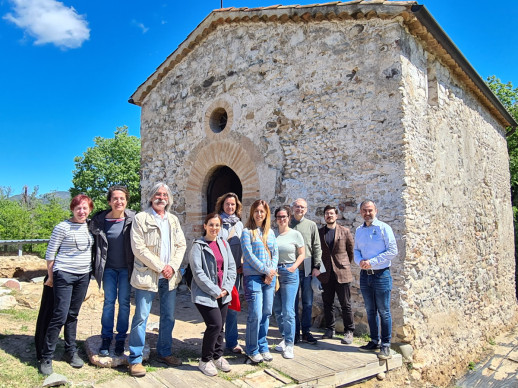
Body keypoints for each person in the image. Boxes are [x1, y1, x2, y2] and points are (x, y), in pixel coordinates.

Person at [128, 183, 187, 377]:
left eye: (164, 195)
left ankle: (164, 352)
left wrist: (172, 267)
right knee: (141, 317)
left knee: (168, 316)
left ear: (168, 199)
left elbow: (181, 244)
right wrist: (162, 267)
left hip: (169, 278)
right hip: (148, 275)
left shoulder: (173, 220)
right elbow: (139, 248)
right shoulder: (141, 218)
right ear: (151, 197)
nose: (161, 197)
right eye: (157, 194)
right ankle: (135, 359)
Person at [39, 194, 95, 376]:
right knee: (60, 315)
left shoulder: (90, 226)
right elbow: (50, 253)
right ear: (72, 209)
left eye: (85, 208)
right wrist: (51, 277)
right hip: (64, 274)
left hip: (84, 275)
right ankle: (46, 357)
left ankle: (70, 352)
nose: (82, 211)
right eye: (78, 208)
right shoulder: (62, 227)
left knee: (73, 315)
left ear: (90, 209)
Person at [90, 185, 135, 357]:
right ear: (109, 201)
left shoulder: (133, 219)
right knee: (109, 303)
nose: (119, 201)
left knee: (124, 304)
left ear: (126, 201)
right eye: (115, 198)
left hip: (126, 269)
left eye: (122, 198)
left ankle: (121, 339)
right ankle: (106, 338)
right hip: (108, 269)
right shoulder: (99, 221)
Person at [190, 213, 237, 376]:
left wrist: (226, 288)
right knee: (214, 325)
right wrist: (215, 291)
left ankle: (217, 357)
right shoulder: (198, 246)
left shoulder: (224, 243)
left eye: (217, 225)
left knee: (220, 326)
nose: (214, 228)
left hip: (223, 292)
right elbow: (198, 272)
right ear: (205, 226)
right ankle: (205, 360)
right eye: (211, 224)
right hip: (204, 294)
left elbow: (231, 267)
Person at [354, 200, 398, 360]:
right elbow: (356, 250)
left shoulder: (384, 228)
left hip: (381, 274)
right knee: (370, 310)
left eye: (370, 210)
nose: (367, 213)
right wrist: (359, 261)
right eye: (364, 211)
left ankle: (385, 345)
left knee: (384, 311)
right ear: (360, 213)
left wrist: (371, 262)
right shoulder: (359, 230)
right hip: (365, 275)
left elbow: (393, 251)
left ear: (376, 211)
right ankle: (374, 341)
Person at [241, 199, 278, 363]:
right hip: (254, 277)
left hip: (269, 277)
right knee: (255, 313)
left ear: (266, 214)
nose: (259, 214)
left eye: (262, 211)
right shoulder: (246, 232)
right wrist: (266, 270)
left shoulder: (271, 233)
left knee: (266, 312)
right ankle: (252, 348)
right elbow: (248, 256)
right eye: (256, 211)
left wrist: (272, 271)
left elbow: (275, 254)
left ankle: (263, 346)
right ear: (252, 213)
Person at [317, 205, 355, 344]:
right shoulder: (320, 232)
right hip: (326, 274)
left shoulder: (345, 231)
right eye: (327, 213)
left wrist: (343, 264)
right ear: (324, 216)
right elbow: (317, 253)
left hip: (342, 272)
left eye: (331, 213)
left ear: (336, 216)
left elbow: (350, 252)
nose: (329, 216)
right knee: (328, 303)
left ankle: (349, 331)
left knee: (346, 304)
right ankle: (329, 329)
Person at [272, 206, 305, 359]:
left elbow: (302, 254)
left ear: (289, 217)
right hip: (275, 274)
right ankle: (285, 338)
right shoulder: (272, 235)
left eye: (284, 216)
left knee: (288, 310)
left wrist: (293, 267)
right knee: (277, 310)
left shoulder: (295, 234)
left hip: (290, 273)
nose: (282, 219)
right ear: (276, 218)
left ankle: (290, 344)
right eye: (279, 216)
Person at [214, 192, 244, 354]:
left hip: (235, 273)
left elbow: (243, 247)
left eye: (233, 204)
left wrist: (242, 263)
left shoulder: (239, 224)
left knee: (232, 307)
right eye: (227, 204)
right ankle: (215, 341)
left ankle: (232, 342)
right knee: (218, 307)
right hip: (220, 272)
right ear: (222, 205)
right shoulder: (217, 222)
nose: (230, 207)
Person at [290, 198, 322, 345]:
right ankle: (294, 332)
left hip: (308, 266)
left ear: (306, 209)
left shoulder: (311, 225)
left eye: (302, 207)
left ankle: (306, 332)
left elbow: (316, 247)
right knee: (293, 302)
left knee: (308, 302)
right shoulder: (288, 223)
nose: (300, 209)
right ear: (293, 208)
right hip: (292, 267)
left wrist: (317, 267)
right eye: (297, 206)